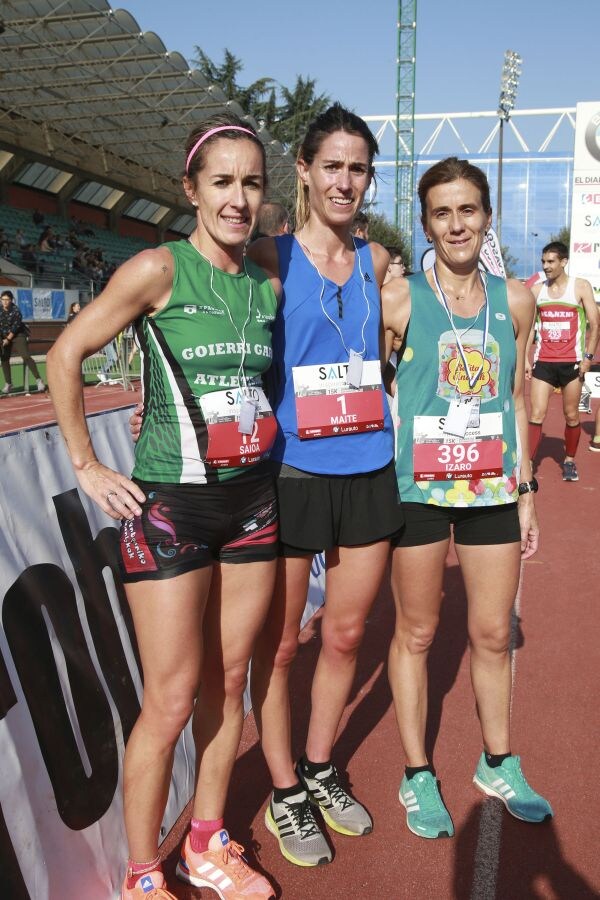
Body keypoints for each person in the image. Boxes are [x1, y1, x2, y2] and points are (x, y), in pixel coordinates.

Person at [47, 113, 281, 900]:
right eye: (222, 182)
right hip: (172, 509)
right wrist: (85, 462)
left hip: (254, 507)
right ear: (191, 189)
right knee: (172, 698)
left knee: (231, 683)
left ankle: (207, 842)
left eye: (252, 183)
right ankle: (144, 869)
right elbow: (65, 353)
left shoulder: (263, 281)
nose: (238, 199)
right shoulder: (157, 269)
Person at [247, 103, 403, 866]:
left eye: (358, 168)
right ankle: (282, 791)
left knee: (342, 635)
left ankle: (317, 767)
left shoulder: (376, 264)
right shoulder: (271, 258)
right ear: (303, 171)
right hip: (293, 472)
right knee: (278, 647)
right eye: (332, 165)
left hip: (369, 465)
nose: (345, 181)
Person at [382, 157, 552, 840]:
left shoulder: (514, 300)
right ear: (425, 222)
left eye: (468, 210)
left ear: (487, 217)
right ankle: (417, 772)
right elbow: (355, 381)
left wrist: (527, 491)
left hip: (490, 490)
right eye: (442, 213)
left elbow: (514, 398)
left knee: (490, 632)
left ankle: (498, 761)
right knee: (417, 633)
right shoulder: (399, 299)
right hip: (417, 491)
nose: (456, 224)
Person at [525, 241, 599, 481]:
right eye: (543, 262)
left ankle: (569, 461)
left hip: (572, 364)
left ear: (564, 262)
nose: (546, 266)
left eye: (551, 262)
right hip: (544, 363)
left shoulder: (580, 287)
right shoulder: (537, 290)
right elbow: (528, 329)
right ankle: (527, 467)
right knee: (536, 414)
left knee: (572, 416)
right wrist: (526, 358)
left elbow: (595, 324)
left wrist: (588, 357)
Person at [0, 289, 45, 393]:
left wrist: (7, 339)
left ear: (11, 300)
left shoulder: (16, 311)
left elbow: (15, 327)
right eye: (3, 299)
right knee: (4, 358)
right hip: (3, 335)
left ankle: (39, 380)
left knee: (25, 355)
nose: (5, 302)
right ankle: (8, 383)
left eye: (7, 299)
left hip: (17, 334)